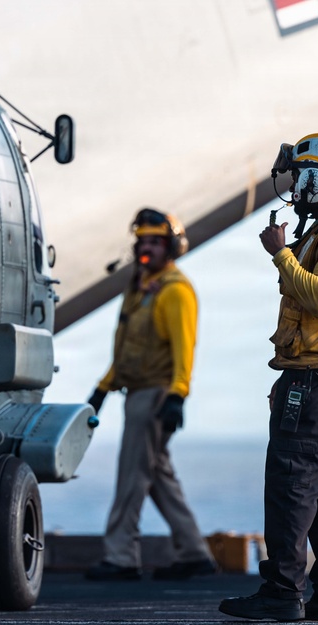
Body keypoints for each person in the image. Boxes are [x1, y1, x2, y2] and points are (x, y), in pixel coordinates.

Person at [219, 133, 318, 621]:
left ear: (317, 180)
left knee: (292, 483)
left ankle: (283, 594)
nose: (296, 188)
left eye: (301, 178)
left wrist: (279, 253)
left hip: (315, 383)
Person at [83, 208, 218, 582]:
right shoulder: (140, 286)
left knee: (132, 477)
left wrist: (178, 395)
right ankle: (194, 553)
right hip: (135, 391)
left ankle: (121, 557)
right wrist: (103, 388)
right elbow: (127, 347)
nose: (146, 248)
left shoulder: (175, 291)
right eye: (142, 241)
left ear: (171, 247)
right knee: (157, 474)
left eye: (155, 242)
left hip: (153, 396)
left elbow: (183, 350)